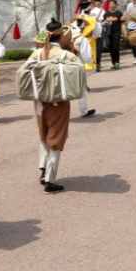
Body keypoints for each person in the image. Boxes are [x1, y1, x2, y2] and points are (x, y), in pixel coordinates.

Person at [28, 18, 86, 194]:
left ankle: (43, 169)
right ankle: (50, 179)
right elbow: (80, 72)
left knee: (43, 134)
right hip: (58, 101)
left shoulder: (36, 54)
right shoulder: (66, 55)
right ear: (61, 37)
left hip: (39, 101)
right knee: (56, 136)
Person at [70, 15, 96, 118]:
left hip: (63, 66)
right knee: (81, 90)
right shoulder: (82, 39)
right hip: (77, 66)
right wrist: (91, 61)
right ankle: (84, 112)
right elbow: (86, 56)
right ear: (82, 27)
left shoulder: (64, 36)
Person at [102, 0, 123, 69]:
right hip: (108, 33)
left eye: (113, 4)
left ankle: (117, 62)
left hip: (116, 32)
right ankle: (113, 63)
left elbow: (122, 23)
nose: (111, 5)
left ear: (116, 5)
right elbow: (103, 23)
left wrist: (125, 32)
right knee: (111, 48)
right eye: (110, 4)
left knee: (115, 47)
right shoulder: (106, 14)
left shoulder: (119, 13)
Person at [88, 0, 106, 72]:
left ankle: (97, 64)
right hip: (88, 33)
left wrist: (97, 33)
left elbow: (100, 22)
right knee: (89, 50)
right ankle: (91, 64)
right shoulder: (85, 11)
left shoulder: (99, 11)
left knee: (98, 50)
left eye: (90, 1)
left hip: (97, 33)